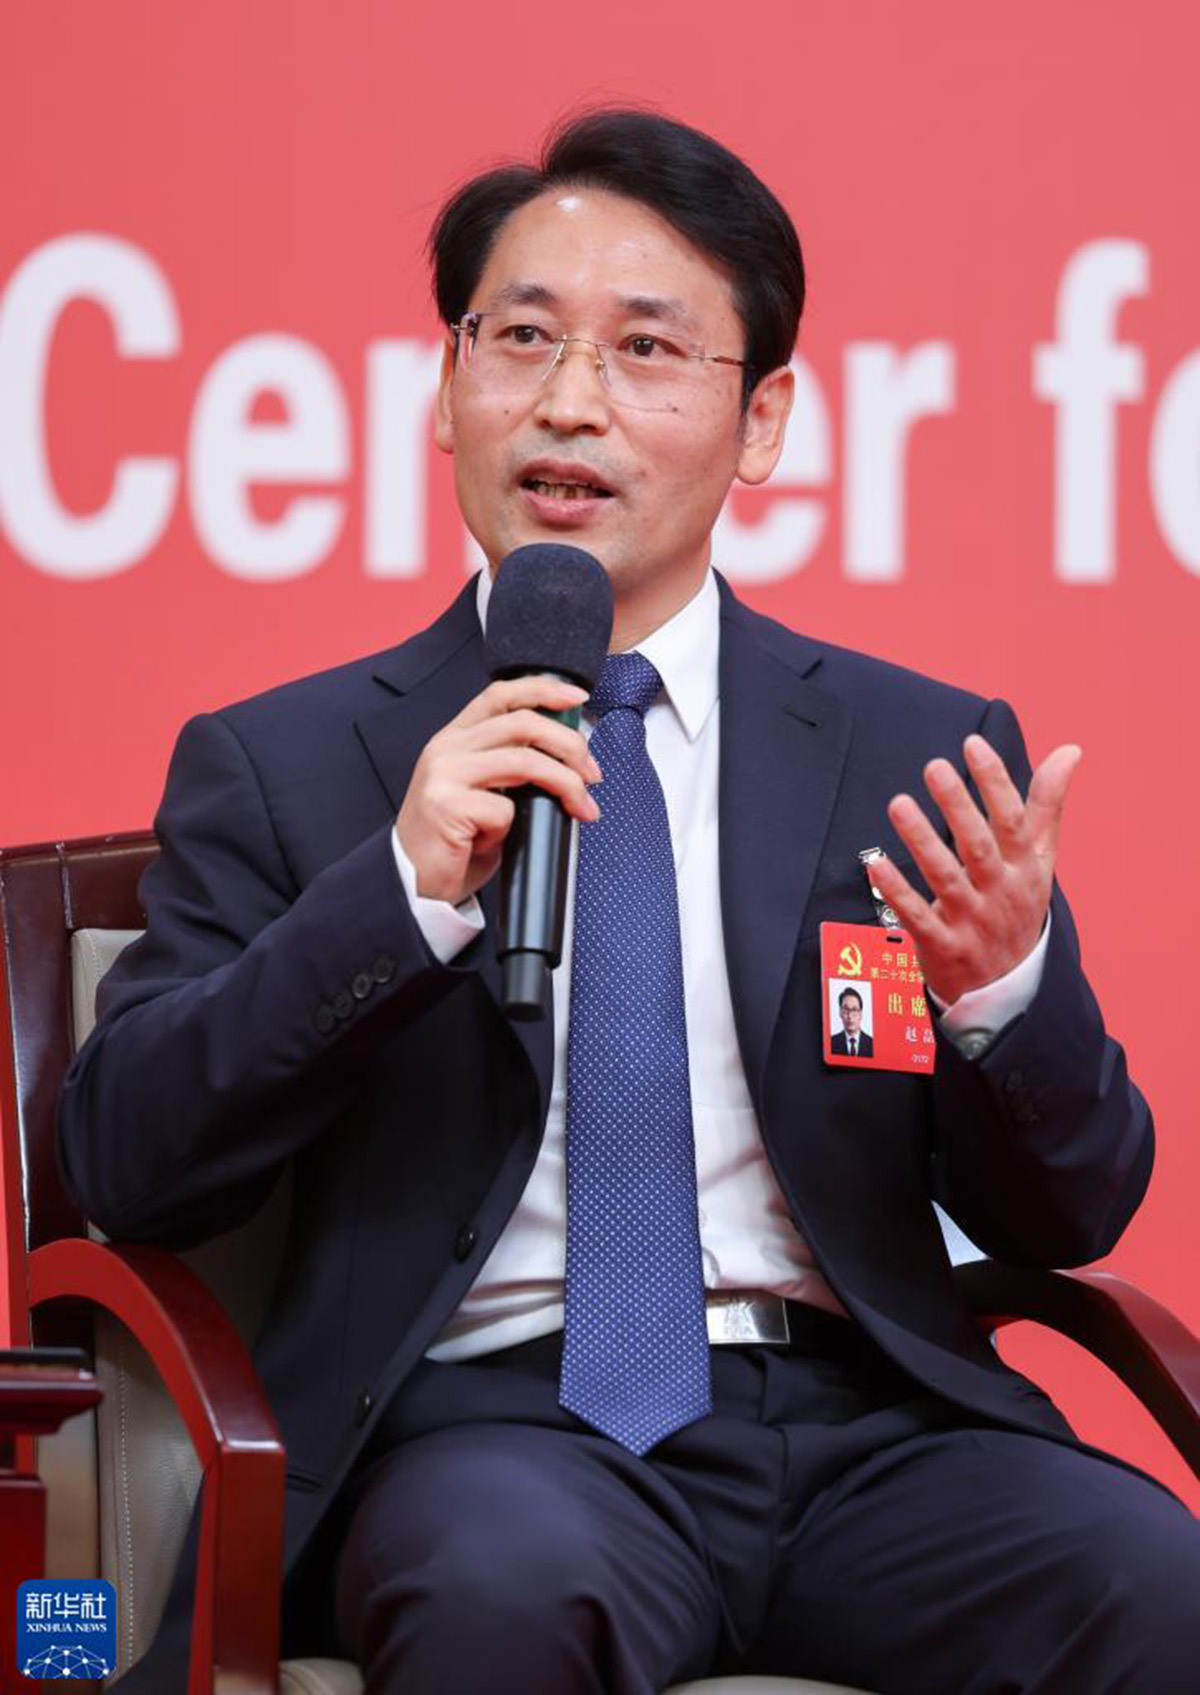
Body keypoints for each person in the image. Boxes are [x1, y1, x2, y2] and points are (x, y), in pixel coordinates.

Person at [58, 109, 1198, 1694]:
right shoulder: (288, 763)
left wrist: (1004, 998)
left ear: (761, 419)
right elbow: (127, 1158)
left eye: (647, 349)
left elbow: (1072, 1210)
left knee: (1158, 1583)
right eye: (522, 337)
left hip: (868, 1433)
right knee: (499, 1588)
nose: (571, 401)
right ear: (447, 389)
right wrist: (397, 895)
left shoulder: (911, 750)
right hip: (501, 1434)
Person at [830, 987, 873, 1058]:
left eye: (854, 1009)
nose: (849, 1016)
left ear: (861, 1014)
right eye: (846, 1009)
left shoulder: (872, 1044)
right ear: (840, 1012)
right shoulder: (831, 1043)